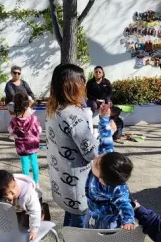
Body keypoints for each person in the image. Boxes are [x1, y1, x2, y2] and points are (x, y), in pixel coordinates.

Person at [45, 63, 116, 228]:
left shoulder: (53, 110)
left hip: (61, 179)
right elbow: (93, 152)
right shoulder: (74, 114)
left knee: (70, 216)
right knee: (78, 225)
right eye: (82, 82)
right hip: (77, 184)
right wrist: (107, 128)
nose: (84, 86)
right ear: (73, 85)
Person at [84, 151, 135, 242]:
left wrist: (128, 220)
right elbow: (106, 145)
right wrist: (106, 129)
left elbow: (125, 203)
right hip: (94, 214)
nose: (96, 158)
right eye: (100, 157)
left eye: (97, 162)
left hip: (110, 221)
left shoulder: (117, 189)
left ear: (101, 179)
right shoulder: (107, 165)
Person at [0, 168, 49, 241]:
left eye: (14, 186)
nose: (15, 191)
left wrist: (34, 230)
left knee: (25, 224)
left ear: (14, 181)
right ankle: (19, 212)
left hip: (33, 202)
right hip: (19, 205)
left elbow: (35, 211)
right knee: (15, 219)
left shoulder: (28, 193)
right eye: (10, 192)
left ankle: (44, 209)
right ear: (0, 196)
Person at [8, 93, 42, 184]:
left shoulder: (14, 121)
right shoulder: (33, 119)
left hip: (21, 146)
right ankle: (36, 182)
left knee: (25, 165)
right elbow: (39, 130)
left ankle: (27, 183)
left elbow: (11, 131)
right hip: (32, 144)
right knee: (34, 163)